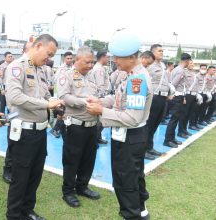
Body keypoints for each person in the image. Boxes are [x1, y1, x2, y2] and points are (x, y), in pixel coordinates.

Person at [86, 30, 153, 220]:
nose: (115, 61)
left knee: (125, 182)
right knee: (135, 177)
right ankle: (141, 211)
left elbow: (132, 117)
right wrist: (100, 101)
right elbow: (118, 99)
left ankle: (131, 215)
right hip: (132, 137)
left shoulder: (137, 80)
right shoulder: (129, 74)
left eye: (118, 57)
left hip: (130, 136)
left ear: (131, 57)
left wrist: (101, 112)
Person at [5, 34, 63, 220]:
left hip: (40, 131)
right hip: (24, 132)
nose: (50, 58)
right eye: (49, 53)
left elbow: (44, 95)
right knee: (20, 178)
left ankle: (27, 210)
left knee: (35, 175)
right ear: (38, 46)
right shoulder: (17, 67)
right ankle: (14, 215)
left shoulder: (41, 70)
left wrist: (52, 101)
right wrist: (46, 104)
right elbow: (15, 97)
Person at [57, 46, 100, 208]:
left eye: (92, 62)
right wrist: (83, 101)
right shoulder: (66, 76)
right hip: (75, 125)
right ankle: (68, 191)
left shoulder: (92, 76)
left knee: (89, 159)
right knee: (72, 159)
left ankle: (82, 186)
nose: (90, 65)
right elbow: (63, 97)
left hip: (92, 125)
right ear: (77, 60)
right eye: (87, 62)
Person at [2, 42, 33, 184]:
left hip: (30, 115)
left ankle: (18, 168)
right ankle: (8, 169)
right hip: (17, 114)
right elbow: (13, 95)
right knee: (13, 143)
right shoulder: (17, 66)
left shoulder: (37, 68)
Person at [145, 44, 171, 160]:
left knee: (155, 124)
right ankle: (144, 150)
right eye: (160, 51)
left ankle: (150, 147)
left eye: (162, 51)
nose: (162, 53)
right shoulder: (149, 66)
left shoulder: (162, 66)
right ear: (153, 52)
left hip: (163, 98)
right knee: (149, 125)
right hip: (154, 98)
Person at [163, 53, 192, 148]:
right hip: (176, 96)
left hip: (177, 96)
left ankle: (172, 138)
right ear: (187, 61)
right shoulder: (181, 71)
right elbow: (173, 84)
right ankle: (168, 140)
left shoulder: (176, 69)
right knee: (174, 119)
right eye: (189, 62)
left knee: (175, 119)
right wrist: (172, 95)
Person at [50, 51, 73, 139]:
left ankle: (60, 130)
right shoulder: (61, 69)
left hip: (71, 95)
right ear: (64, 59)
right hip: (64, 95)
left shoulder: (73, 67)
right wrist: (61, 97)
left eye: (71, 58)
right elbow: (58, 82)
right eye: (68, 58)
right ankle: (56, 129)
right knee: (64, 114)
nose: (70, 60)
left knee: (63, 114)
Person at [91, 51, 110, 145]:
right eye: (107, 57)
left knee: (100, 120)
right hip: (100, 97)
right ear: (102, 57)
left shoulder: (100, 68)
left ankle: (97, 137)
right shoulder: (99, 69)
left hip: (100, 97)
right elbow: (100, 86)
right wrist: (102, 99)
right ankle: (94, 139)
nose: (108, 59)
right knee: (101, 120)